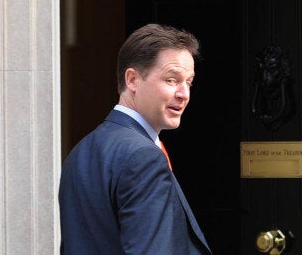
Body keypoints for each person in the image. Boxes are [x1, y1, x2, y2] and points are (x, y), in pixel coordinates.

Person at [59, 23, 212, 254]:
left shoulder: (80, 151)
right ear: (132, 80)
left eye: (188, 82)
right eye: (171, 80)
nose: (184, 94)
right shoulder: (144, 156)